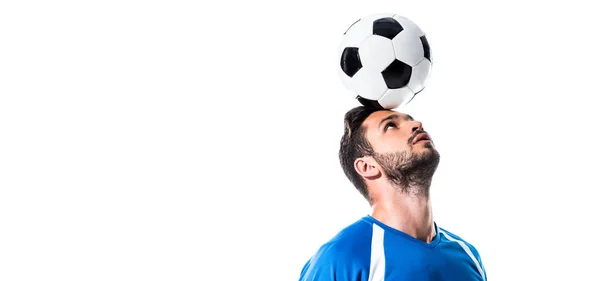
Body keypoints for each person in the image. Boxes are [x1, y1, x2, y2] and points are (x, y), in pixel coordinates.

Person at [297, 105, 487, 281]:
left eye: (410, 119)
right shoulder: (340, 258)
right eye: (390, 126)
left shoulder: (467, 254)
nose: (416, 124)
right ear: (367, 166)